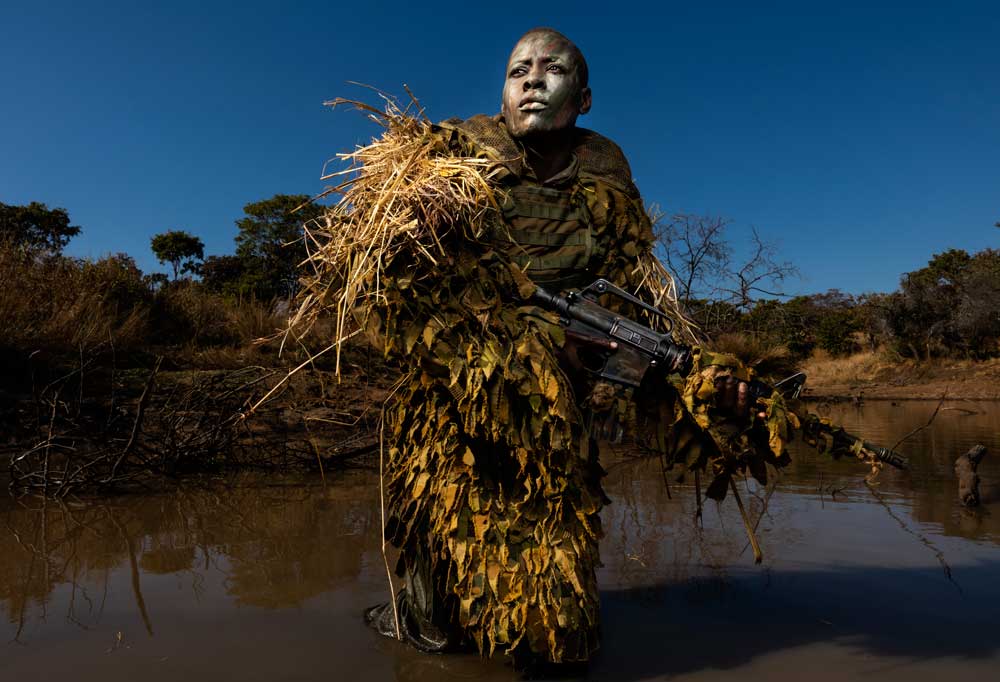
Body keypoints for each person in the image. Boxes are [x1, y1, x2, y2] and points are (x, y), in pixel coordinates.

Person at [364, 27, 759, 668]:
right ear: (503, 90)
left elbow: (635, 305)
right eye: (519, 68)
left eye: (554, 69)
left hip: (562, 409)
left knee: (558, 620)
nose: (533, 79)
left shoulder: (604, 173)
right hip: (454, 401)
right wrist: (508, 347)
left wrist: (685, 381)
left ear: (585, 96)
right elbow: (396, 289)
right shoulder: (451, 158)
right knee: (435, 601)